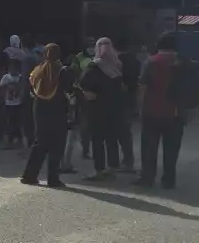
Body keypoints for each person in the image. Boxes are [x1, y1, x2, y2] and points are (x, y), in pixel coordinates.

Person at [134, 32, 192, 189]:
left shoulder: (151, 62)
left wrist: (139, 108)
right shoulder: (186, 64)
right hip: (177, 113)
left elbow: (142, 87)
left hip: (152, 111)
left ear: (158, 45)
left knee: (149, 148)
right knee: (172, 149)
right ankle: (168, 179)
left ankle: (147, 177)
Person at [21, 43, 72, 188]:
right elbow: (69, 88)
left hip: (40, 107)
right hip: (58, 108)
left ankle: (29, 175)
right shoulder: (62, 71)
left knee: (40, 142)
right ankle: (53, 179)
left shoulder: (37, 70)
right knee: (57, 143)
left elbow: (31, 85)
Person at [78, 37, 124, 181]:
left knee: (98, 139)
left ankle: (100, 170)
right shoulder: (117, 65)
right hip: (114, 108)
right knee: (111, 138)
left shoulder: (94, 66)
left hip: (97, 109)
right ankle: (113, 167)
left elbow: (82, 82)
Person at [116, 36, 140, 172]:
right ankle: (128, 160)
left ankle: (117, 162)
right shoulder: (135, 60)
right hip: (129, 99)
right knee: (125, 132)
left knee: (114, 133)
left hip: (114, 100)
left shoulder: (113, 61)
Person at [72, 37, 96, 159]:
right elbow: (74, 73)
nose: (91, 47)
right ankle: (86, 149)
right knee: (85, 123)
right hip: (83, 94)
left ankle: (97, 149)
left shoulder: (99, 55)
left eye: (93, 44)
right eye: (89, 44)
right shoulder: (78, 58)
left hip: (99, 94)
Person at [20, 34, 40, 149]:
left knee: (28, 119)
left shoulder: (27, 58)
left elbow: (27, 77)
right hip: (36, 90)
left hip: (29, 91)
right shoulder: (36, 56)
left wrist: (25, 91)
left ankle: (31, 143)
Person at [0, 58, 24, 149]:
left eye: (16, 68)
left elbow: (22, 89)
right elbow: (2, 88)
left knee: (17, 122)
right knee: (9, 122)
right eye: (12, 67)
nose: (13, 70)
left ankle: (19, 140)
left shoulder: (20, 78)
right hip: (8, 103)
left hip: (18, 104)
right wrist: (2, 99)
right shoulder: (6, 77)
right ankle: (9, 141)